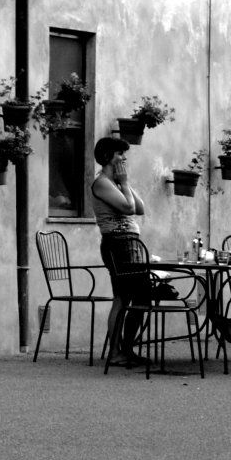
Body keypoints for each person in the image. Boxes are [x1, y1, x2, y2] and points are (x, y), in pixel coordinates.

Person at [90, 135, 166, 368]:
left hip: (130, 245)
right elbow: (128, 207)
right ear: (107, 157)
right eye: (120, 154)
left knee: (141, 296)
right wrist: (122, 183)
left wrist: (124, 182)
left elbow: (140, 208)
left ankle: (127, 349)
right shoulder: (102, 182)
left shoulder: (115, 182)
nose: (124, 158)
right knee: (122, 298)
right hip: (117, 245)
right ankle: (115, 352)